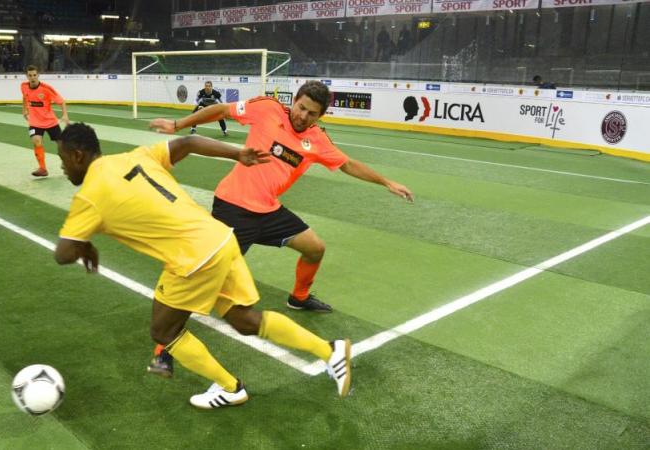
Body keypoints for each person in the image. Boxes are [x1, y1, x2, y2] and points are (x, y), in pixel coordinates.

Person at [53, 123, 352, 408]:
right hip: (220, 238)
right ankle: (330, 350)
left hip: (194, 257)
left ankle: (229, 387)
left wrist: (85, 243)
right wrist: (237, 154)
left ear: (78, 155)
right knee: (243, 319)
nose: (64, 167)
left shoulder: (89, 195)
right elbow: (189, 142)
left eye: (64, 159)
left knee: (164, 331)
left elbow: (63, 253)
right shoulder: (135, 155)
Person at [147, 80, 413, 376]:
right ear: (294, 100)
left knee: (315, 248)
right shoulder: (266, 109)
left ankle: (298, 298)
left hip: (269, 211)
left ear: (320, 116)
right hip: (234, 207)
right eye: (301, 108)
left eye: (312, 113)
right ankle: (164, 347)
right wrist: (178, 123)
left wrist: (387, 182)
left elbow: (348, 164)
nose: (303, 116)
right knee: (206, 276)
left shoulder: (318, 141)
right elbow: (221, 108)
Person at [21, 65, 68, 177]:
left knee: (61, 144)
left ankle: (66, 162)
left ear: (38, 75)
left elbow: (61, 101)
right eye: (30, 75)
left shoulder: (46, 88)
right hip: (35, 122)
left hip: (50, 121)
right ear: (27, 76)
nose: (32, 77)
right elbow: (24, 97)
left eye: (34, 75)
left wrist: (65, 115)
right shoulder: (23, 86)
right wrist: (24, 109)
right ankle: (43, 169)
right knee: (36, 141)